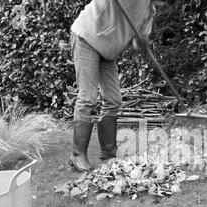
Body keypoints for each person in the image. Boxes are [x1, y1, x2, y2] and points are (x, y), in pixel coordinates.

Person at [69, 0, 178, 171]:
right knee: (88, 97)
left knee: (113, 99)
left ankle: (108, 155)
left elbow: (136, 41)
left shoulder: (149, 12)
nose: (162, 4)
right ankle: (77, 155)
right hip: (88, 37)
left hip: (107, 50)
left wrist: (140, 42)